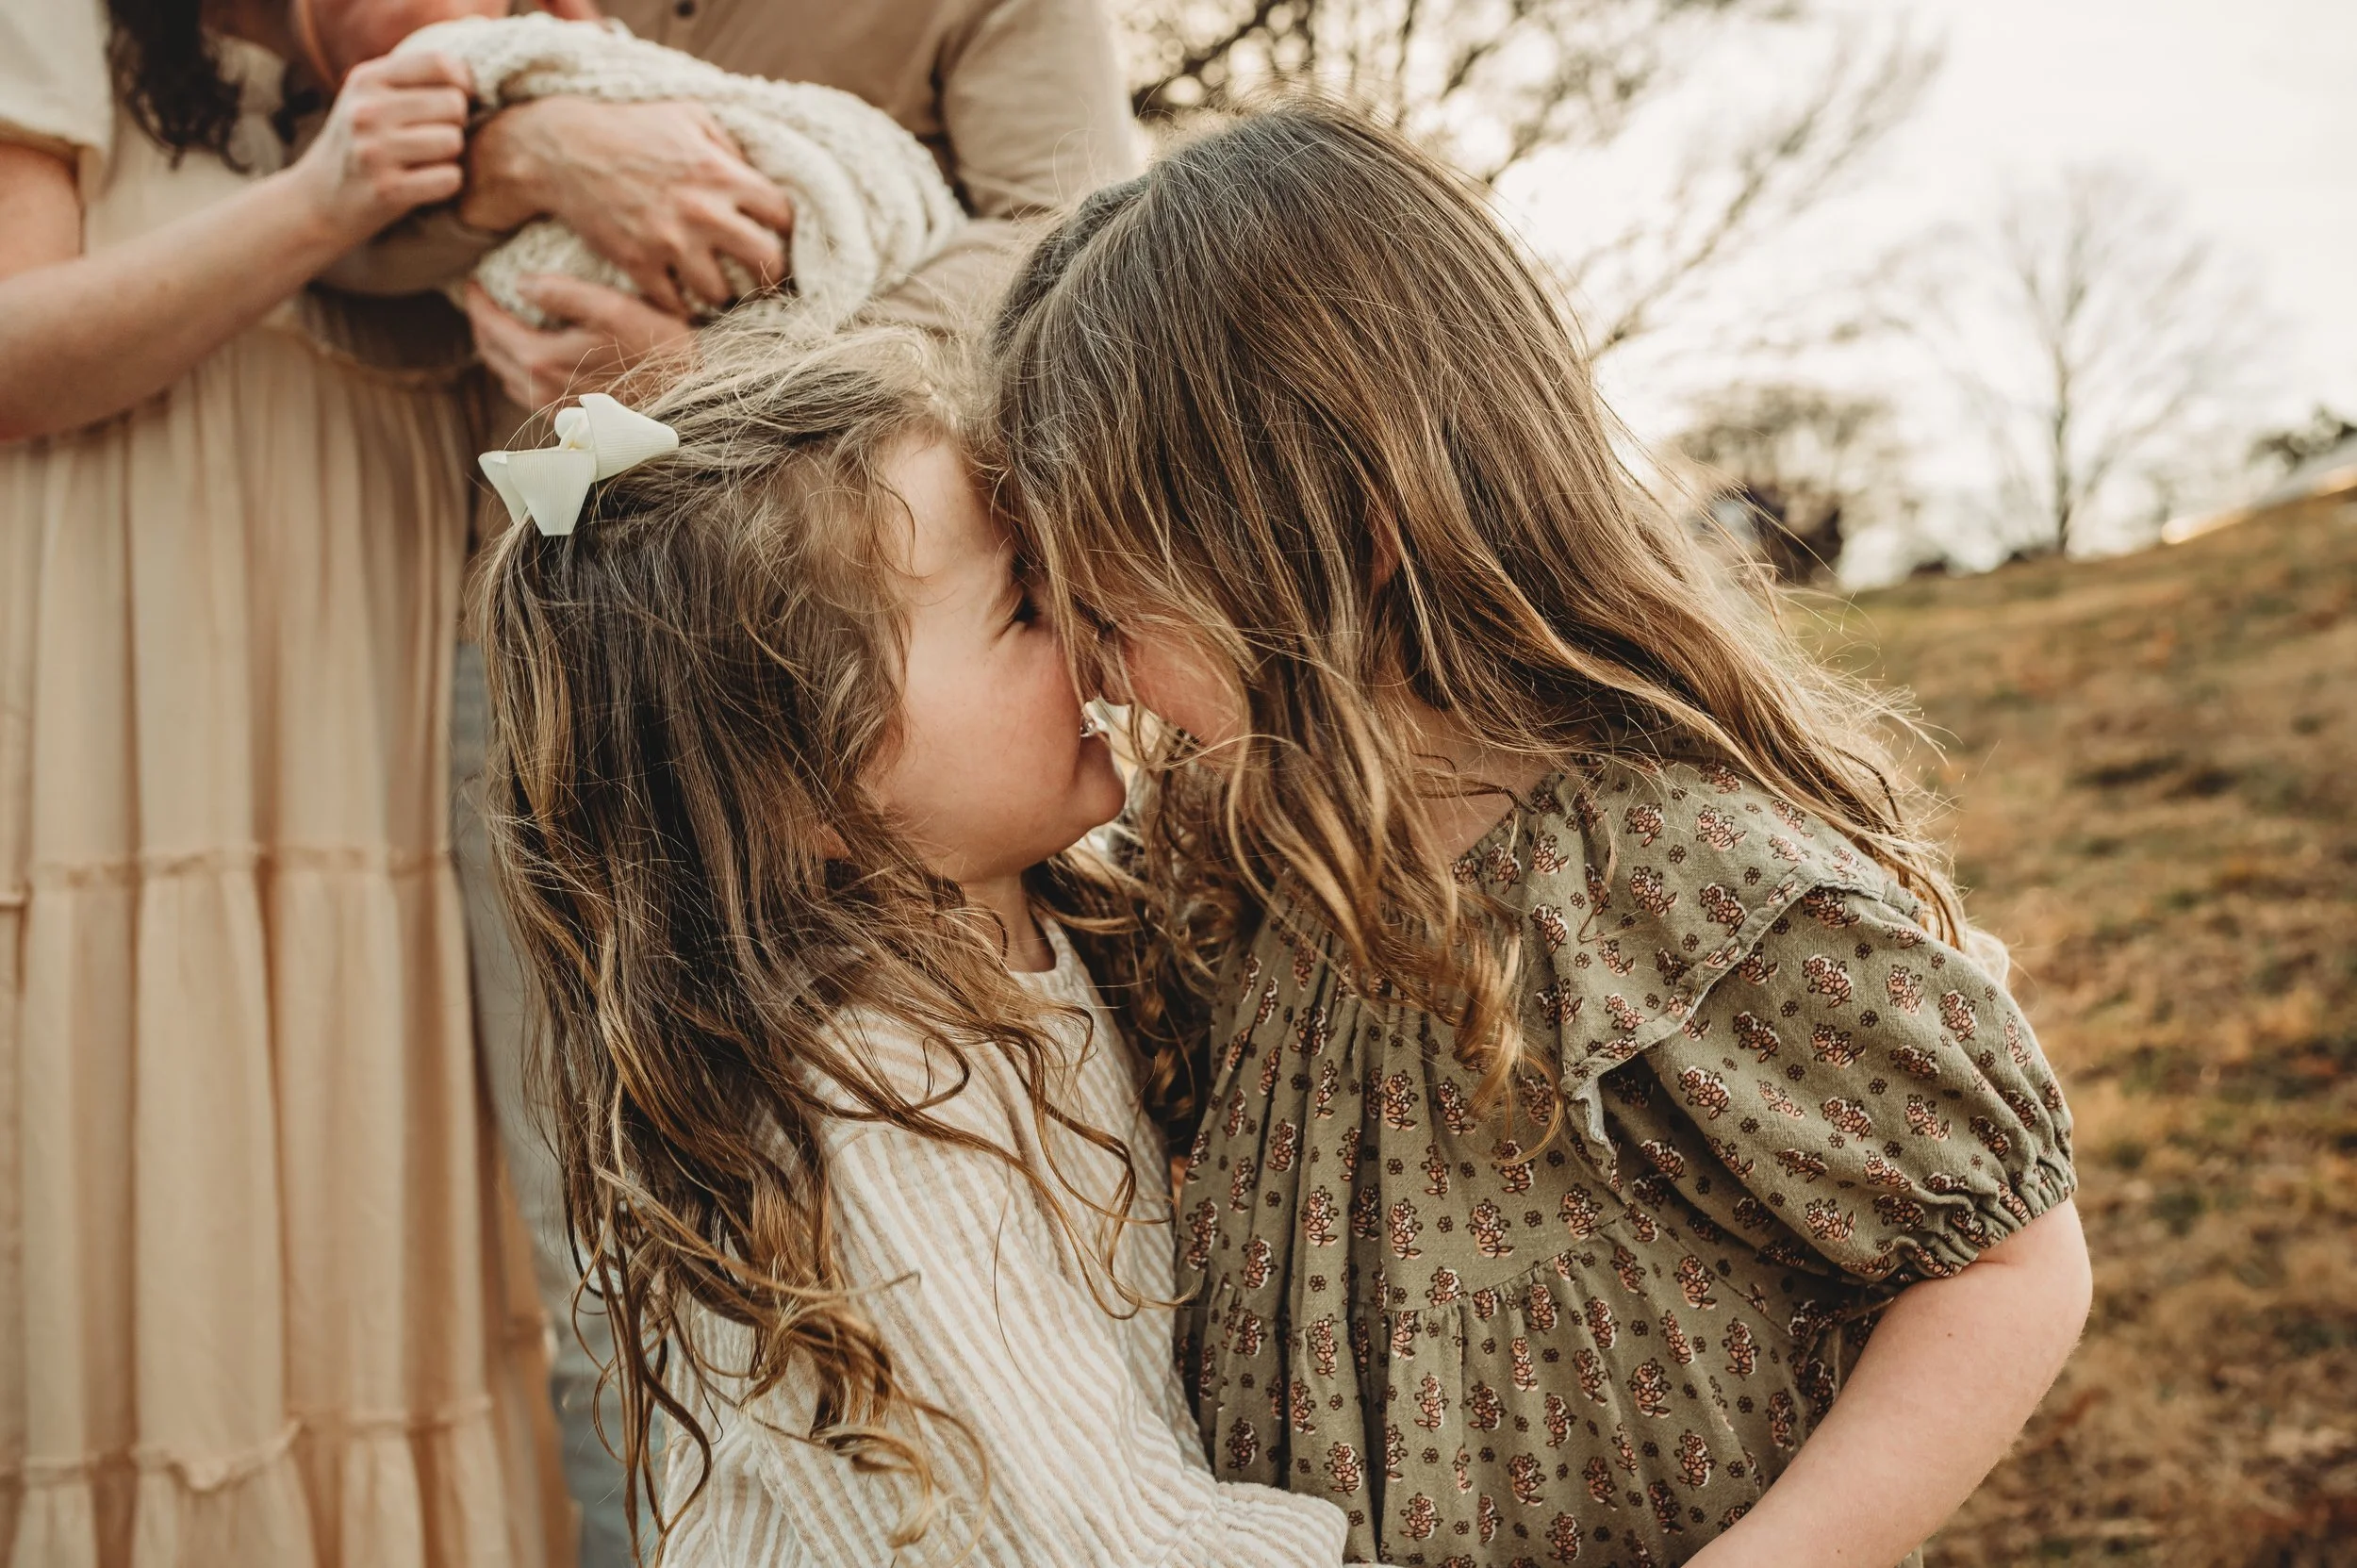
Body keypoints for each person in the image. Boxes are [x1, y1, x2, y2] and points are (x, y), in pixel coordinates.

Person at [984, 103, 2096, 1568]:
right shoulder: (1258, 841)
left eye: (1116, 597)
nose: (1084, 650)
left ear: (1353, 538)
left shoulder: (1674, 878)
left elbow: (2007, 1249)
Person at [323, 3, 1139, 1558]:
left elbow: (1073, 228)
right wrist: (525, 151)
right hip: (582, 650)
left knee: (951, 1156)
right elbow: (343, 216)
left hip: (890, 628)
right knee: (615, 1222)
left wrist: (739, 389)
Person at [470, 324, 1362, 1566]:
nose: (1088, 618)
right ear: (811, 788)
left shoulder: (1051, 933)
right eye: (1022, 605)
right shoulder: (864, 1094)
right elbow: (1095, 1551)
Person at [0, 3, 563, 1564]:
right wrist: (321, 200)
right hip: (137, 731)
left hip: (375, 747)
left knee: (365, 1240)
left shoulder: (437, 52)